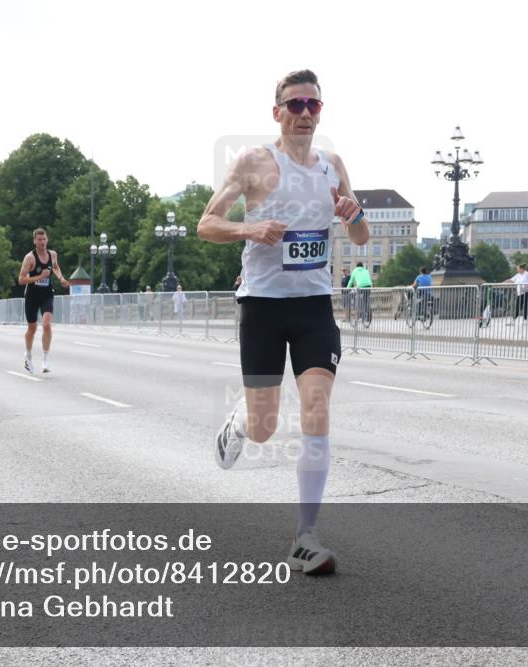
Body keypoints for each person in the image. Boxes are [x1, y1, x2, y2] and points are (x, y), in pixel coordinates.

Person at [197, 69, 369, 576]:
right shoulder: (253, 163)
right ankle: (243, 420)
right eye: (295, 105)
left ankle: (305, 536)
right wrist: (250, 227)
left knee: (317, 408)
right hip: (263, 305)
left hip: (314, 305)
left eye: (313, 105)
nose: (305, 114)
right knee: (267, 426)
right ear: (277, 113)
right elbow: (207, 224)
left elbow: (358, 237)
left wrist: (353, 213)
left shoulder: (332, 166)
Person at [18, 228, 70, 373]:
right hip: (32, 295)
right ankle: (28, 356)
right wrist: (39, 277)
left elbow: (55, 267)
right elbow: (21, 279)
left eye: (44, 239)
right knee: (32, 328)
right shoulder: (30, 258)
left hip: (47, 294)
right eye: (39, 239)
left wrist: (61, 278)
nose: (42, 242)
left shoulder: (52, 254)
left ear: (47, 240)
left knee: (46, 324)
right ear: (34, 241)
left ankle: (45, 359)